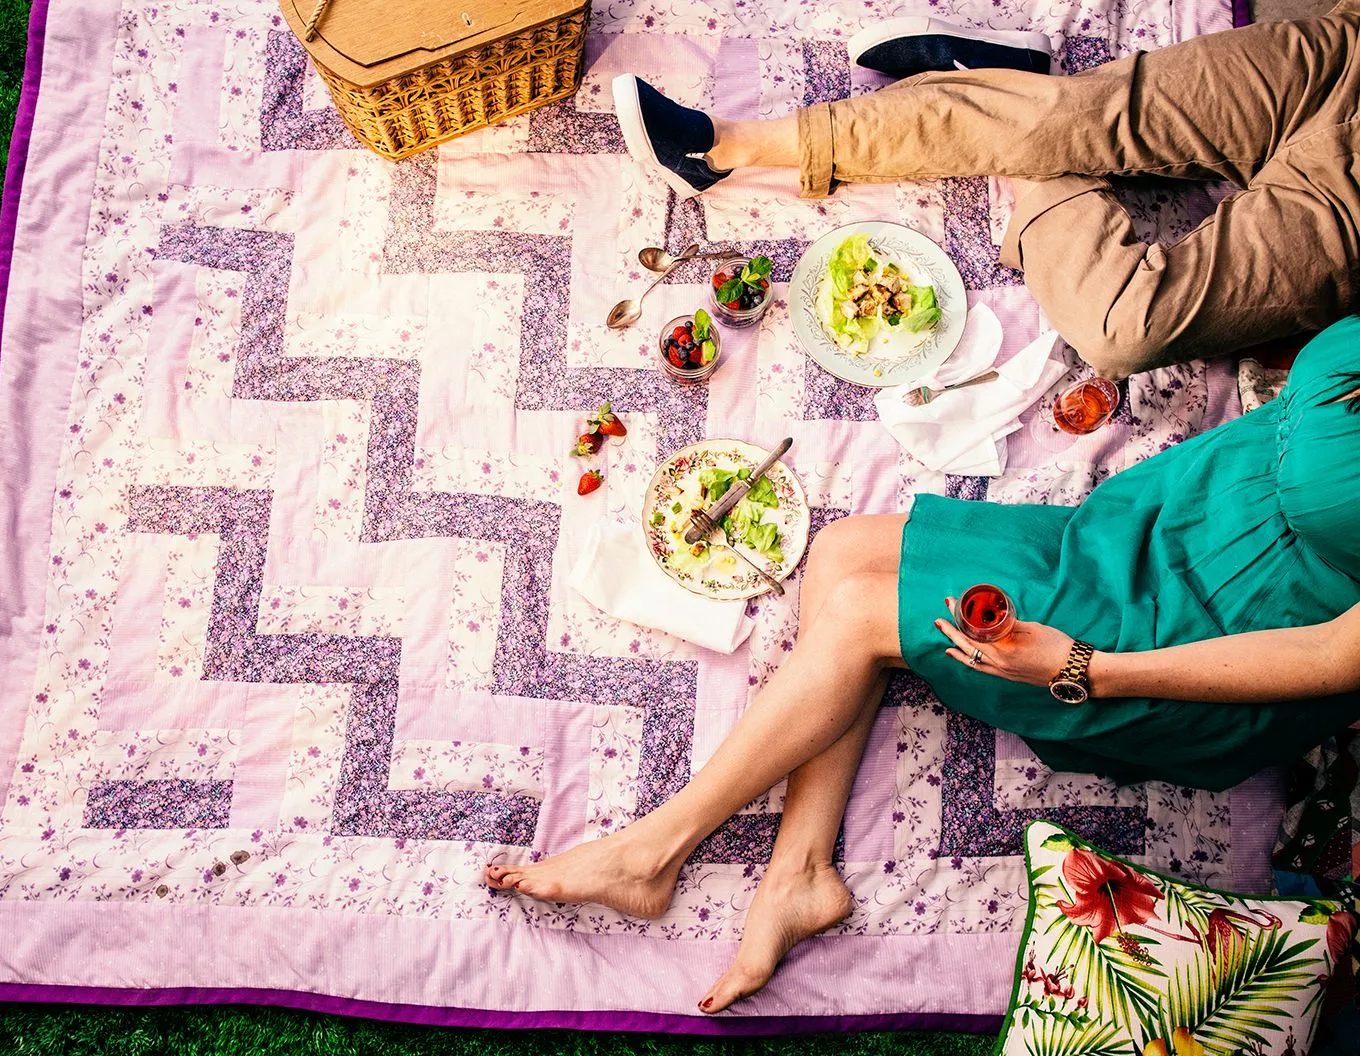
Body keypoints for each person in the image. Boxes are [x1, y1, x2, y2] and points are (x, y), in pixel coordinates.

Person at [485, 317, 1360, 1013]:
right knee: (839, 553)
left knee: (863, 614)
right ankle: (800, 875)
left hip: (1197, 639)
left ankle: (652, 851)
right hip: (1145, 532)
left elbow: (1330, 655)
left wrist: (1086, 667)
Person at [609, 4, 1360, 378]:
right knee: (1076, 117)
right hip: (1346, 58)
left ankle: (1006, 91)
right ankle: (721, 145)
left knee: (1125, 327)